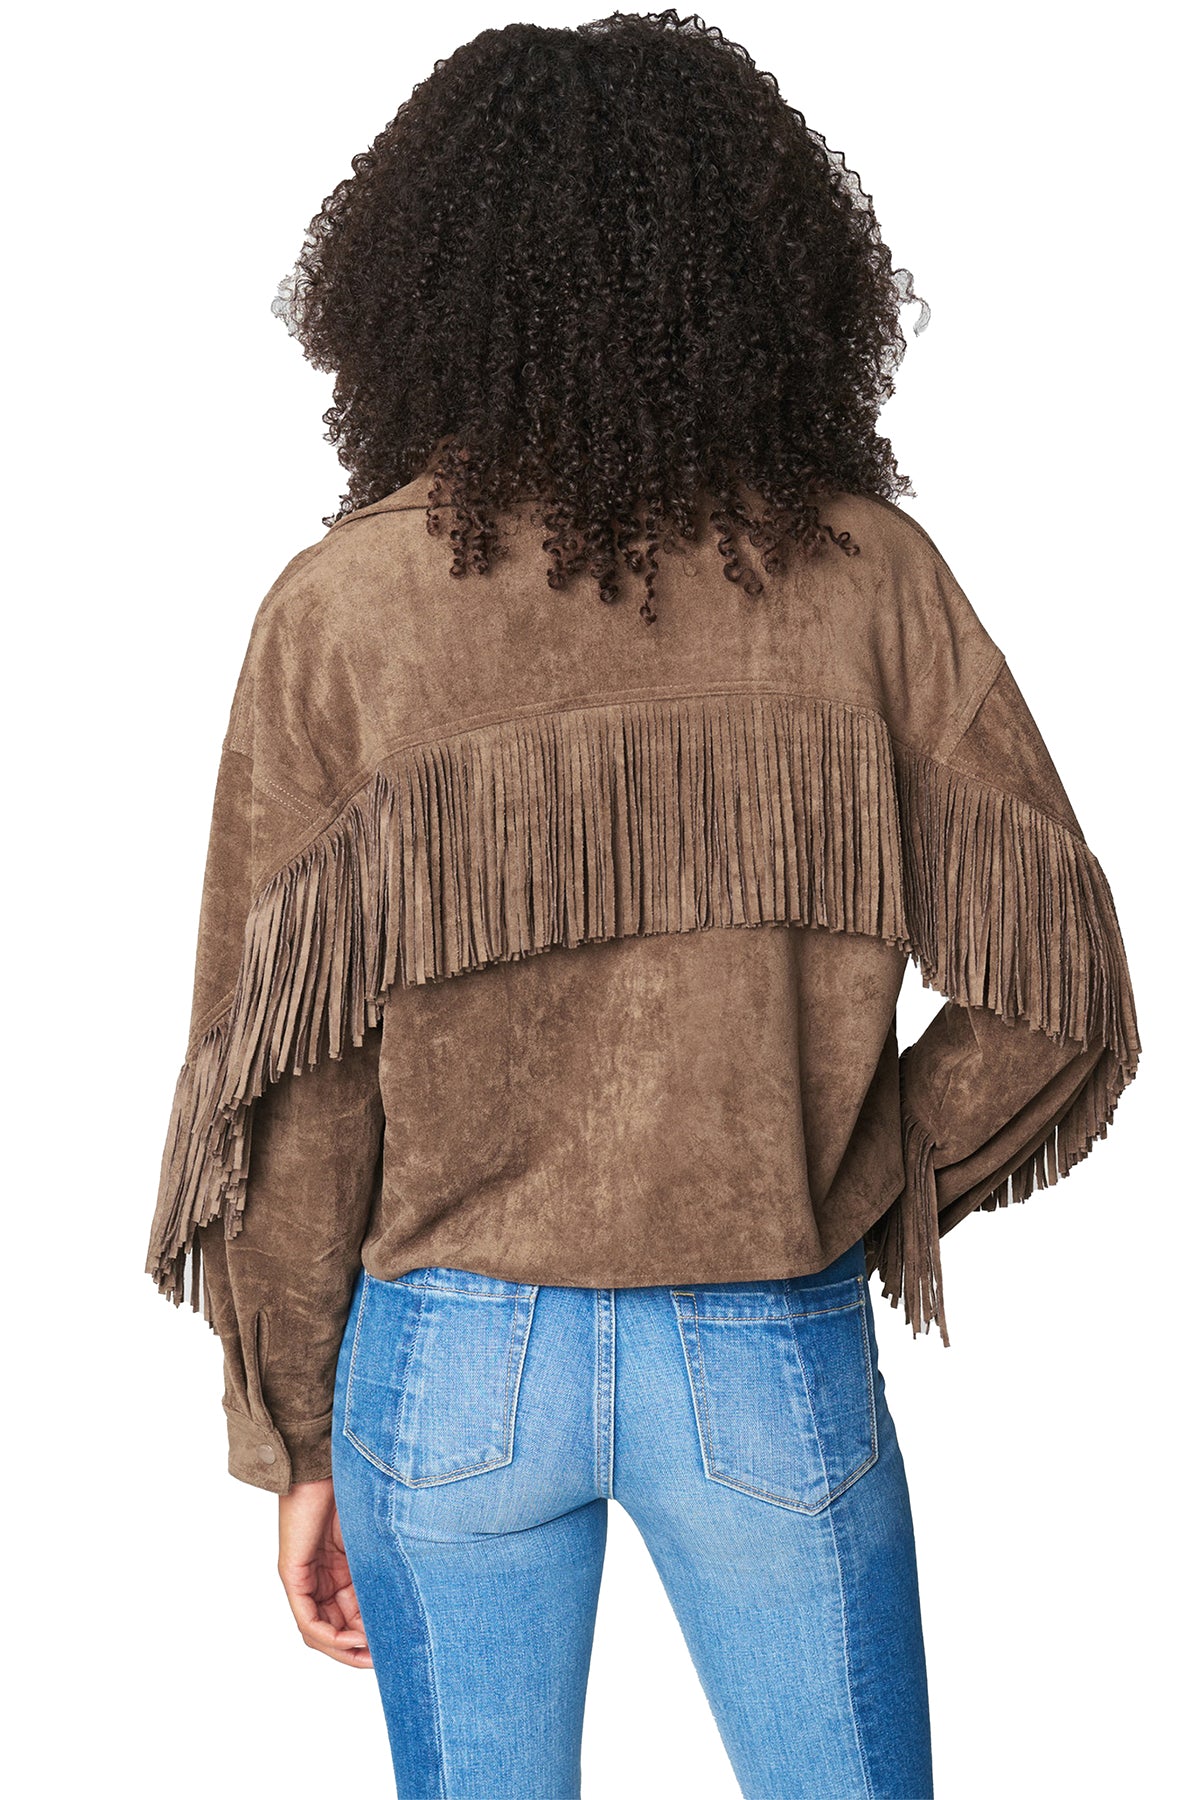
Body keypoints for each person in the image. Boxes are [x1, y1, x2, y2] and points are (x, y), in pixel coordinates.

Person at [144, 12, 1141, 1798]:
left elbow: (287, 1083)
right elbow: (1056, 987)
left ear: (418, 281)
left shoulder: (346, 608)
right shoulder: (866, 579)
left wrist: (292, 1434)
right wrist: (847, 1171)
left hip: (448, 1360)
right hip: (763, 1331)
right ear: (771, 271)